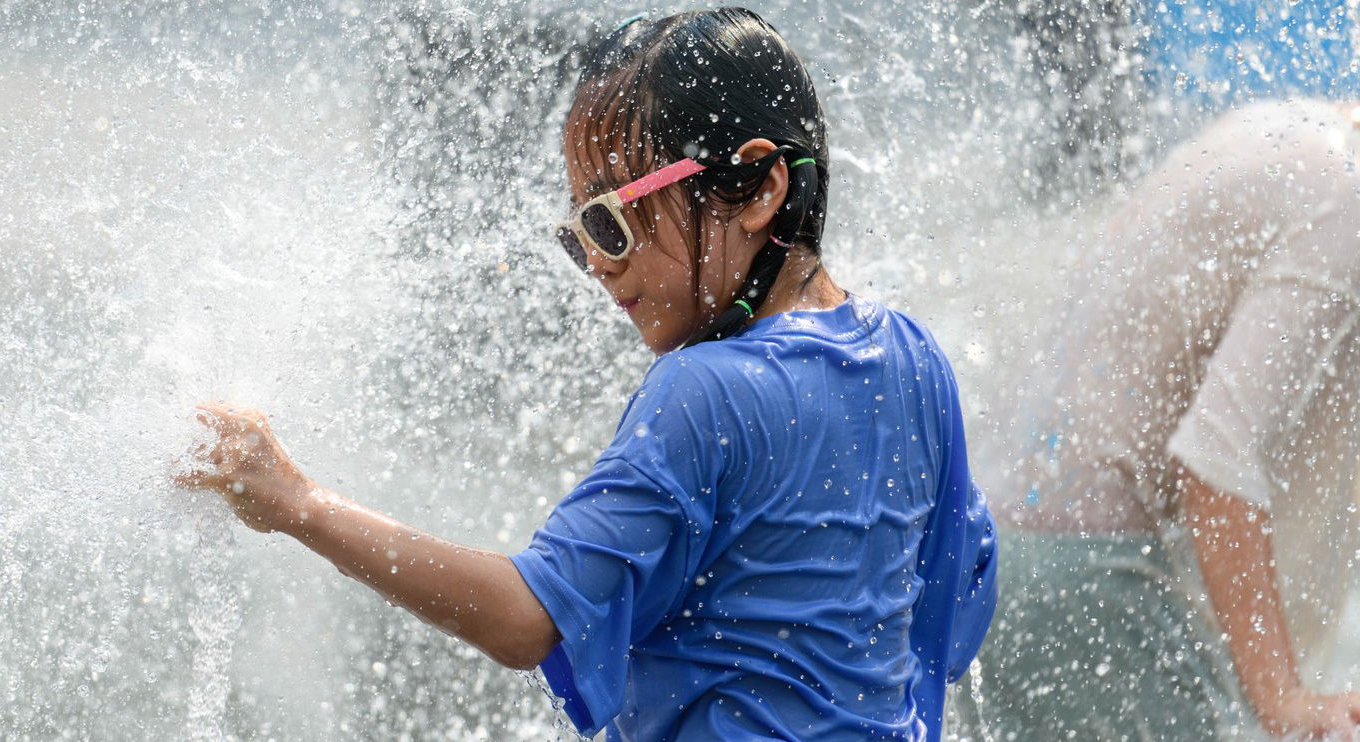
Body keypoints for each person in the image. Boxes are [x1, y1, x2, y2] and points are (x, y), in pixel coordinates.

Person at [176, 9, 997, 741]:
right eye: (578, 235)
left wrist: (297, 504)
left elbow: (527, 619)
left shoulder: (704, 391)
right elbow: (957, 605)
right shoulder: (914, 358)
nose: (598, 265)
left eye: (611, 219)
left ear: (757, 188)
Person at [970, 34, 1360, 741]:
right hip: (1085, 583)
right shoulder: (1353, 209)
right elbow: (1216, 458)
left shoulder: (1296, 134)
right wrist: (1284, 700)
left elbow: (1233, 410)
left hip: (1002, 565)